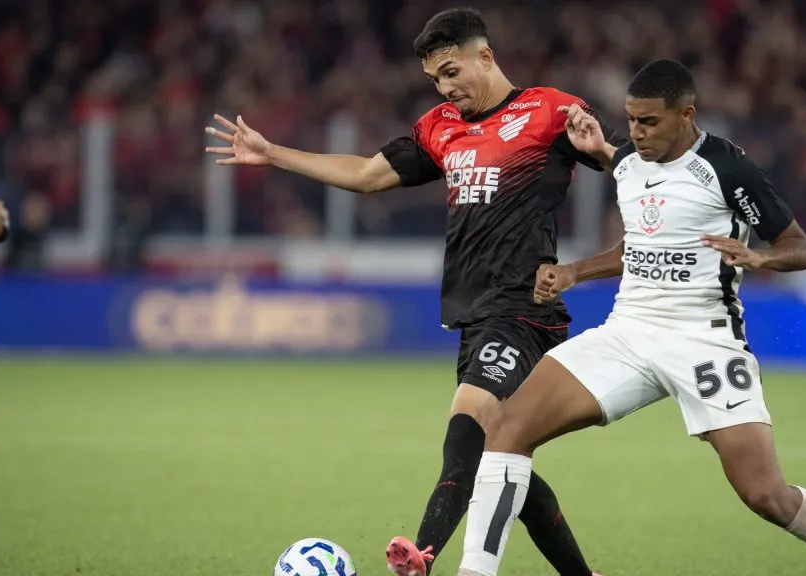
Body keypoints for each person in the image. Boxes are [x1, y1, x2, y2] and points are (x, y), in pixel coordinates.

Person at [452, 59, 806, 576]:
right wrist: (574, 272)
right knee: (508, 426)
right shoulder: (628, 165)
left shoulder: (726, 167)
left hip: (705, 342)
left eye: (649, 122)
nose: (636, 133)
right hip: (628, 332)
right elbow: (638, 245)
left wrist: (759, 257)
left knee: (765, 494)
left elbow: (798, 246)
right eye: (631, 121)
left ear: (686, 115)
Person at [204, 7, 618, 576]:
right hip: (474, 316)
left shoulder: (548, 110)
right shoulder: (440, 127)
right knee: (498, 455)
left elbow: (632, 169)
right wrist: (273, 153)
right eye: (435, 79)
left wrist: (603, 160)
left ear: (485, 56)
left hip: (525, 309)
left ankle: (421, 556)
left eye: (452, 72)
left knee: (467, 424)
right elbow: (366, 175)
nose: (445, 88)